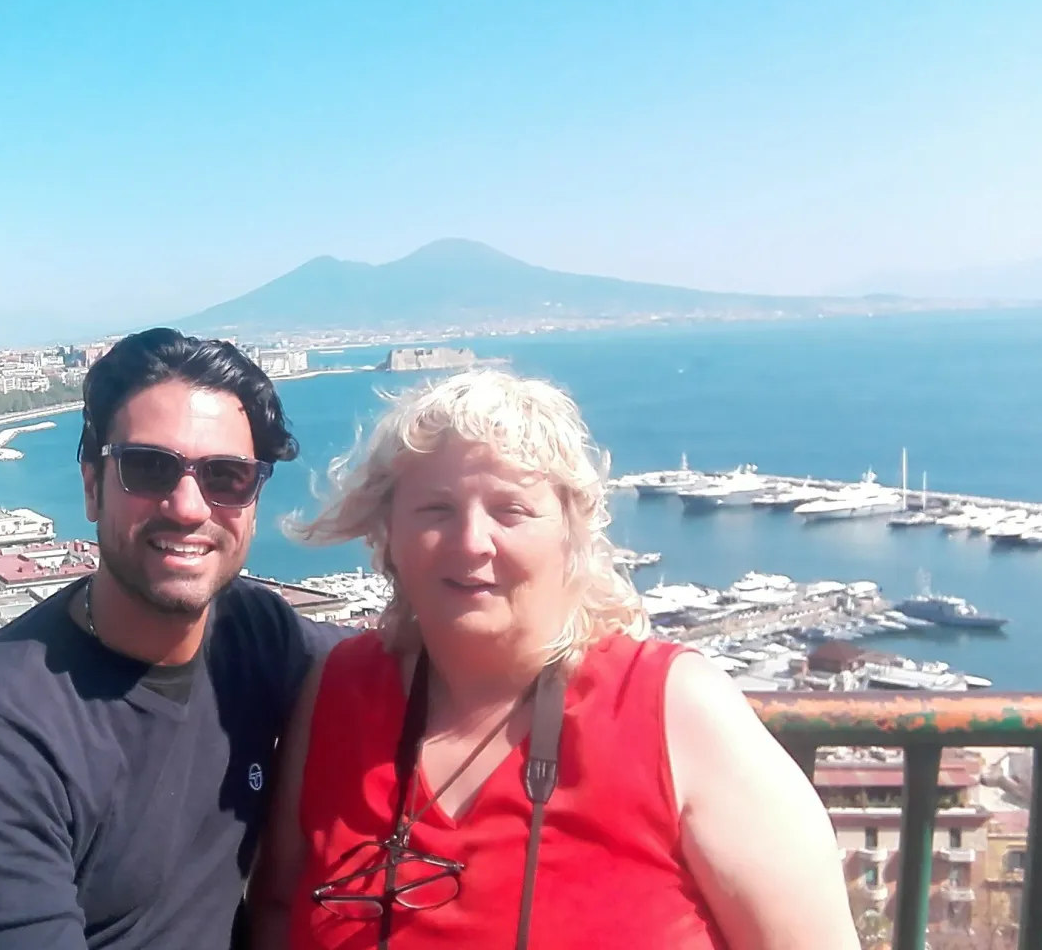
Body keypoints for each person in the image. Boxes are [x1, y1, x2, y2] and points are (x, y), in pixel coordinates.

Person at [251, 369, 856, 949]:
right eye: (436, 510)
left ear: (570, 533)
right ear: (387, 535)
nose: (472, 542)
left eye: (510, 511)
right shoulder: (340, 693)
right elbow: (277, 907)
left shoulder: (674, 710)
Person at [0, 328, 346, 949]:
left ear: (253, 501)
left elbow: (404, 663)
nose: (188, 507)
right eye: (149, 468)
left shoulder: (255, 631)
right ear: (92, 486)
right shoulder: (3, 730)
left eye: (227, 477)